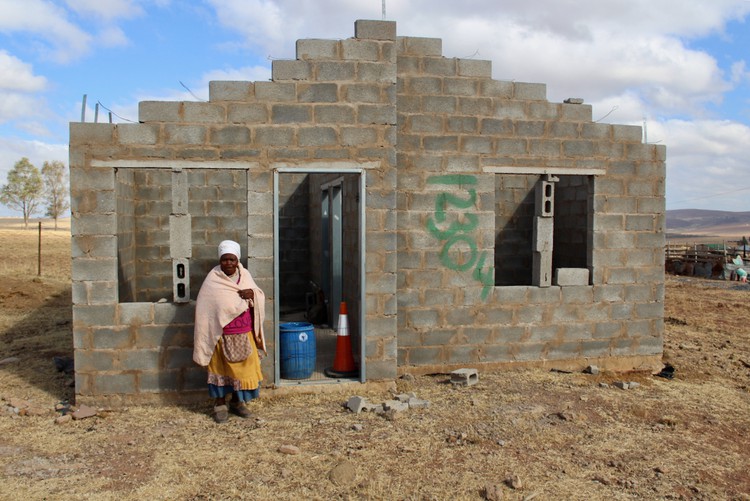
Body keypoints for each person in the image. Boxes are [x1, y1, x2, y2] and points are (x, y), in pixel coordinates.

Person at [193, 240, 267, 423]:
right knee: (221, 369)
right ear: (220, 260)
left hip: (244, 332)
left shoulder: (245, 275)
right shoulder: (213, 279)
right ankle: (219, 404)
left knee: (243, 370)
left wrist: (252, 294)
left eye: (232, 259)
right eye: (225, 259)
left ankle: (237, 402)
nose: (228, 263)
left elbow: (258, 295)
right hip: (222, 334)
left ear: (237, 260)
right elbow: (206, 307)